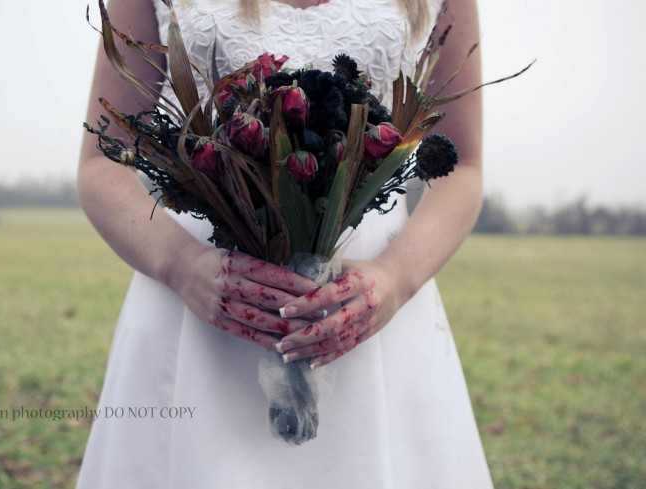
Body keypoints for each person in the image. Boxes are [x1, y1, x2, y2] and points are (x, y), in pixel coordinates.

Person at [76, 0, 493, 487]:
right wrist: (181, 264)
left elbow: (462, 164)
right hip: (199, 301)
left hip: (372, 307)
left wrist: (396, 279)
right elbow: (102, 159)